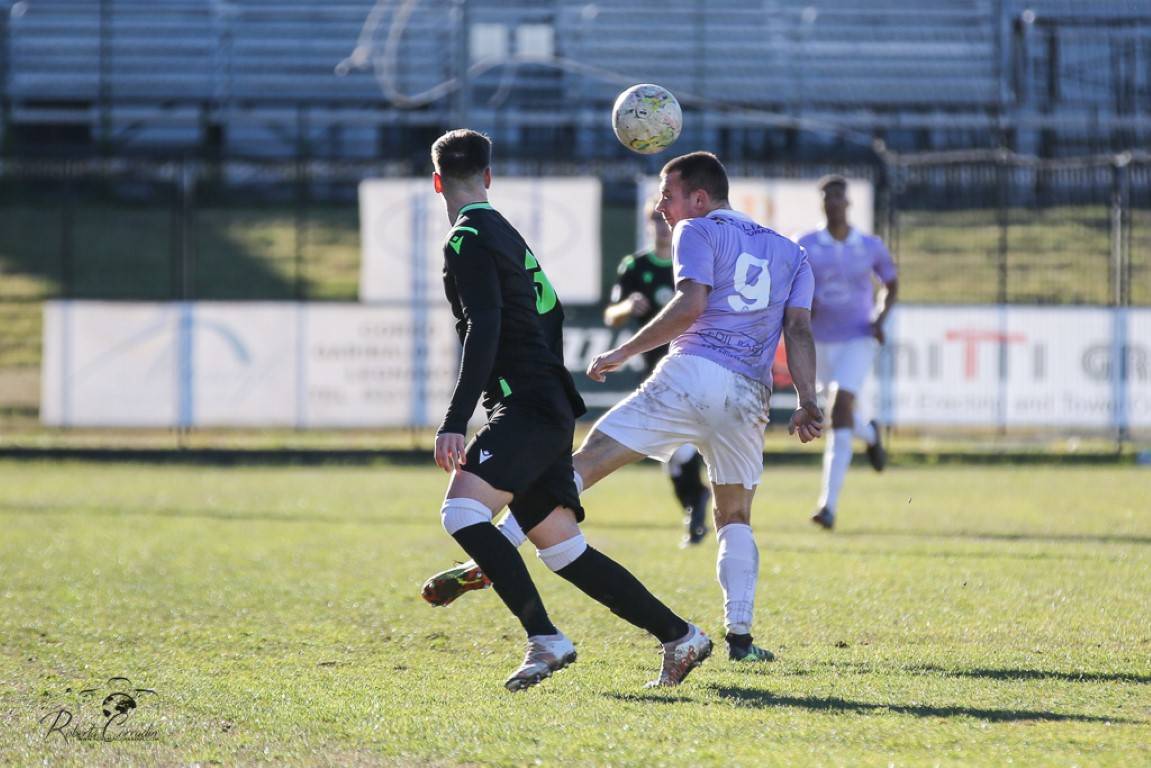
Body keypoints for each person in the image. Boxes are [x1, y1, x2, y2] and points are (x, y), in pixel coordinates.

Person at [424, 151, 823, 666]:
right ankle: (739, 638)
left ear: (699, 198)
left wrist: (623, 351)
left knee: (582, 466)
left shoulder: (697, 231)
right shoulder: (793, 254)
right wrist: (809, 400)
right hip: (749, 391)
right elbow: (800, 329)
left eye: (668, 195)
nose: (661, 207)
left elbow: (692, 306)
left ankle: (498, 551)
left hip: (692, 374)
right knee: (736, 515)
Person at [426, 129, 711, 691]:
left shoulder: (464, 238)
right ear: (487, 177)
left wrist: (457, 419)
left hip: (528, 405)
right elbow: (549, 312)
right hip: (547, 401)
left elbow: (485, 325)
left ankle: (545, 638)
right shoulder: (506, 232)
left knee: (461, 513)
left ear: (437, 182)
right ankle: (681, 636)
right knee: (562, 549)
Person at [603, 198, 710, 547]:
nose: (662, 225)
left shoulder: (690, 263)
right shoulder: (635, 266)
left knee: (679, 450)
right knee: (673, 458)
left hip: (694, 368)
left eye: (665, 219)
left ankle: (700, 509)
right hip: (656, 375)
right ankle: (696, 506)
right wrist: (626, 307)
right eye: (655, 219)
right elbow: (611, 316)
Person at [797, 176, 899, 531]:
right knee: (838, 412)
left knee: (840, 407)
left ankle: (828, 505)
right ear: (822, 203)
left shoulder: (868, 245)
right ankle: (869, 435)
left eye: (839, 197)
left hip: (858, 337)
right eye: (827, 197)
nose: (833, 203)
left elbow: (891, 283)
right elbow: (797, 289)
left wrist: (880, 318)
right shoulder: (807, 245)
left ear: (848, 202)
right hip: (820, 341)